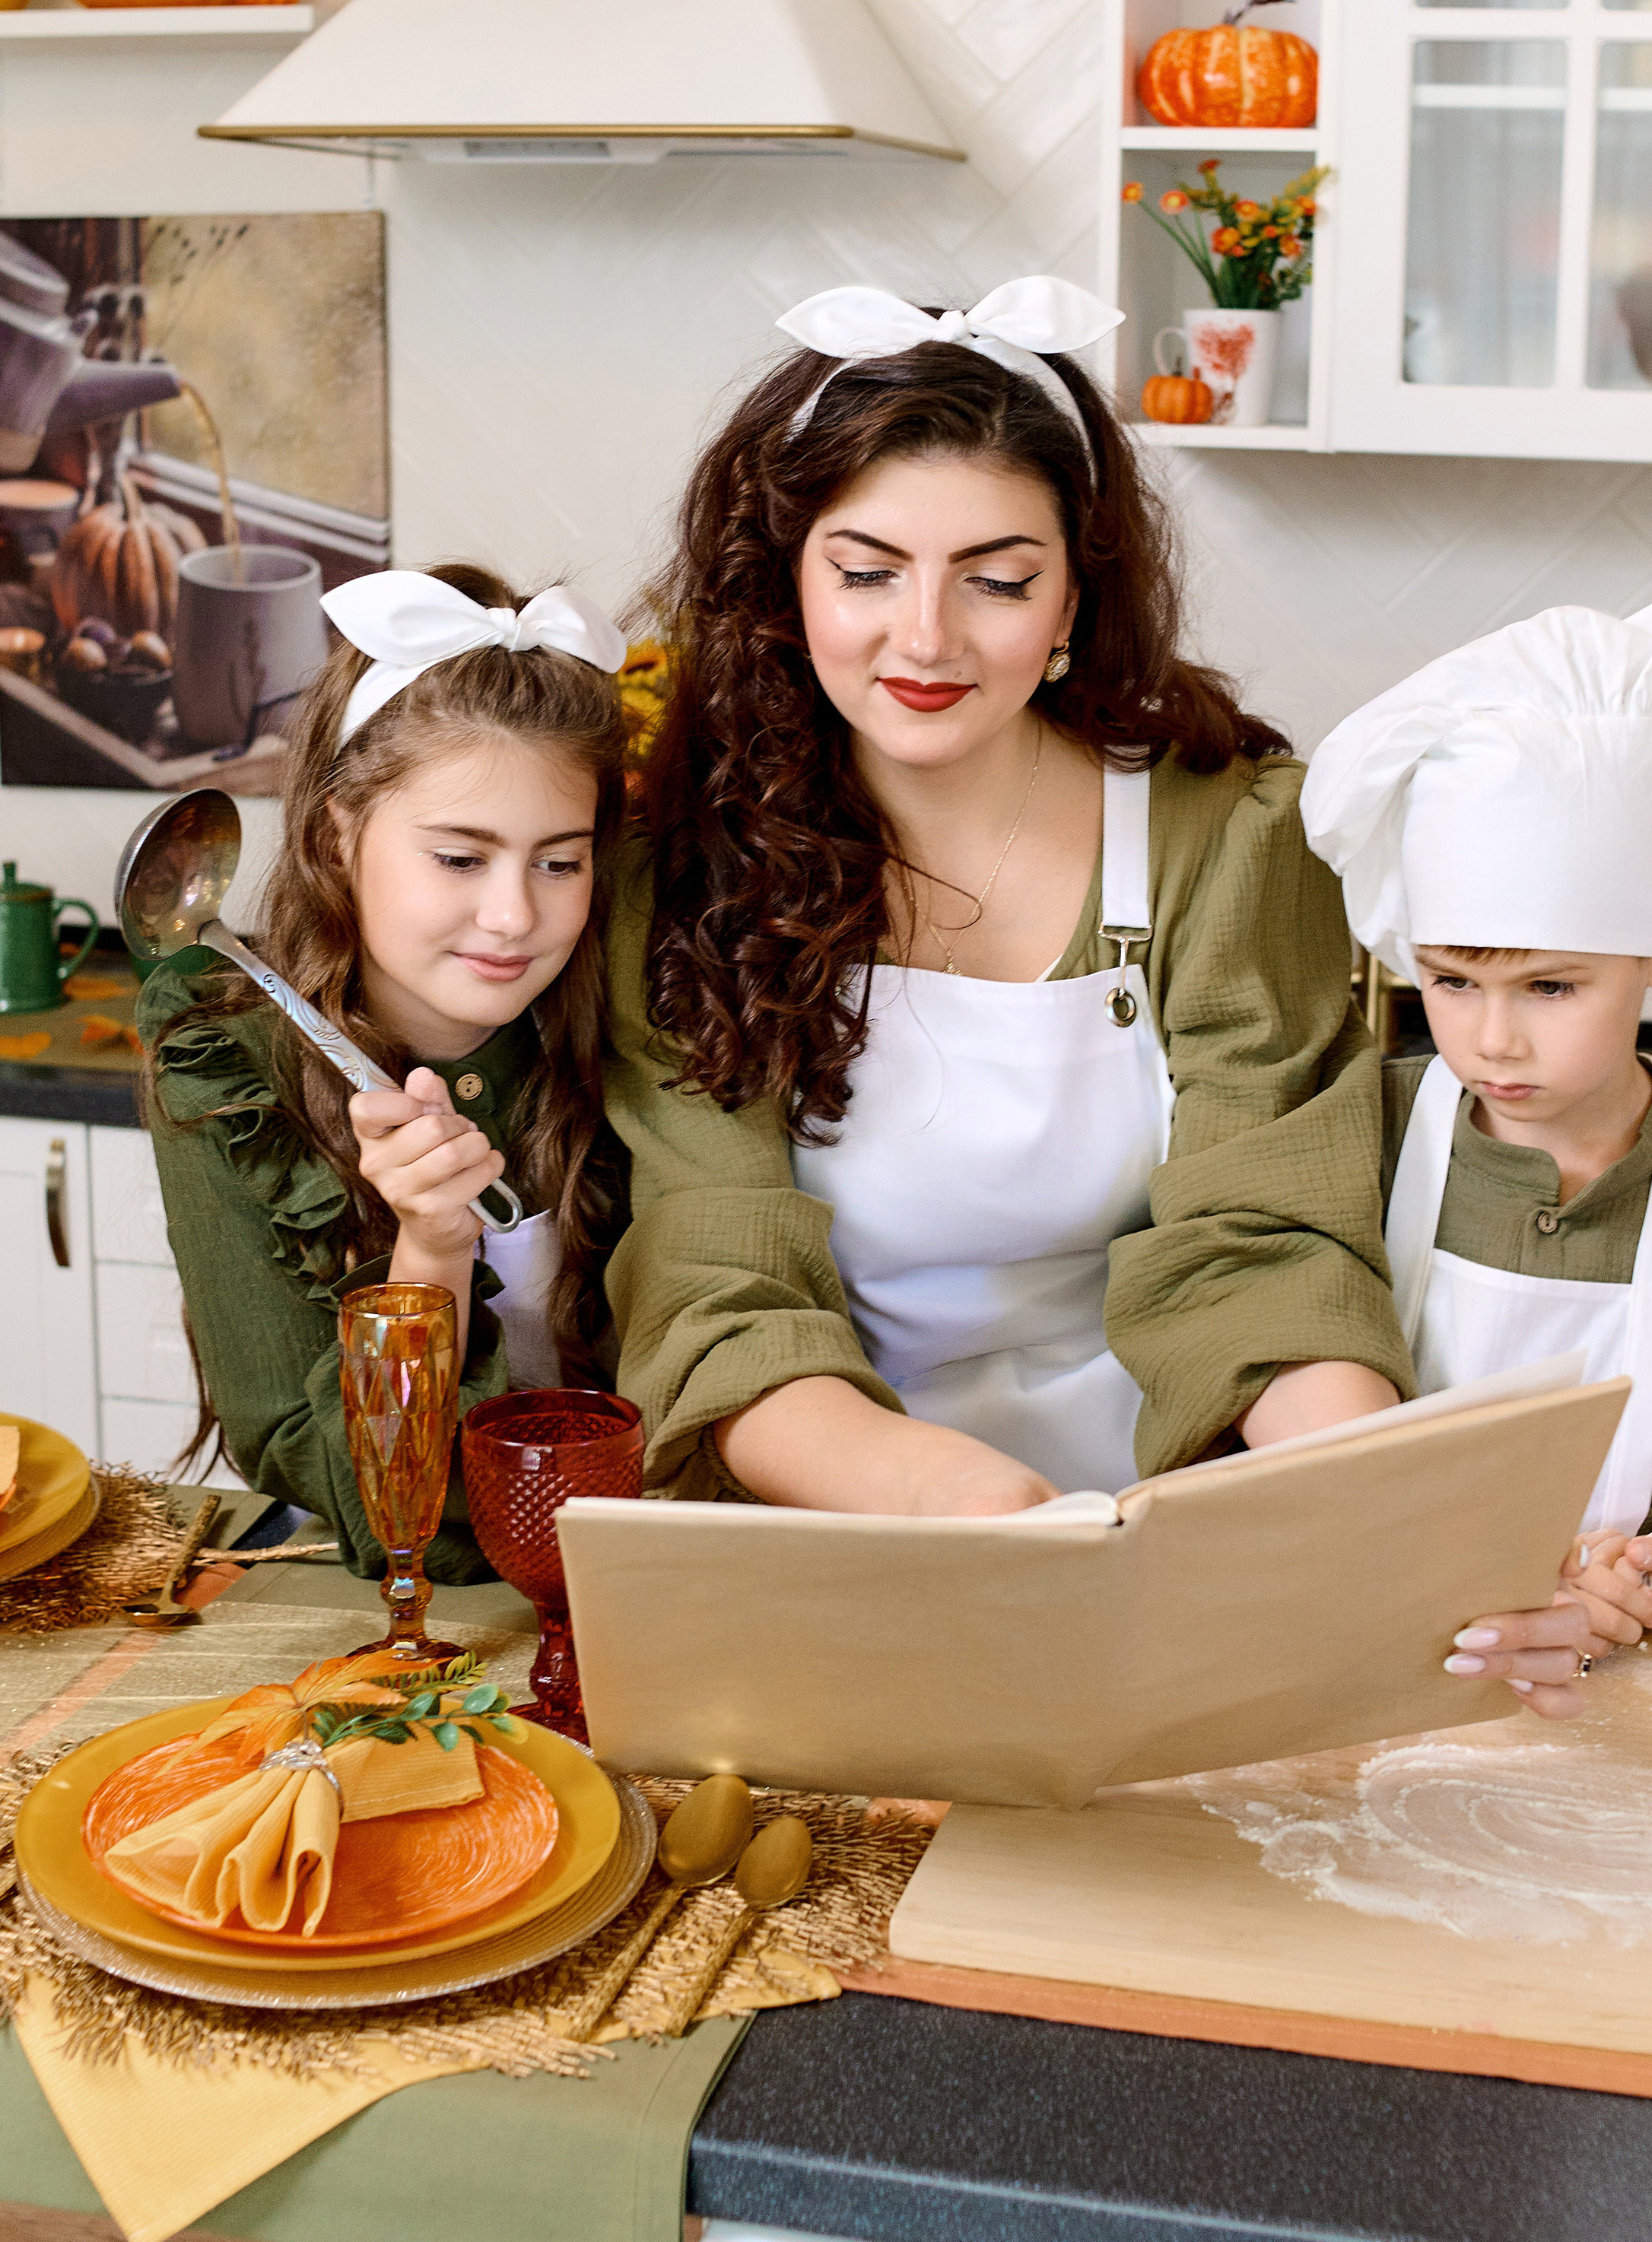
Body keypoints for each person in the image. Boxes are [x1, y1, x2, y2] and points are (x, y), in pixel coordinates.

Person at [603, 273, 1442, 1530]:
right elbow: (722, 1299)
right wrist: (971, 1505)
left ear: (1072, 601)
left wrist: (1369, 1505)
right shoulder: (685, 876)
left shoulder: (1227, 834)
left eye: (995, 580)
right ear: (788, 586)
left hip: (1181, 1503)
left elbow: (1266, 1253)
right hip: (833, 1508)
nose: (926, 640)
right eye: (868, 572)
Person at [1301, 599, 1652, 1707]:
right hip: (1363, 1660)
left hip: (1623, 1661)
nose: (1492, 1039)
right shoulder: (1353, 1136)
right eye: (1452, 982)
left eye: (1551, 987)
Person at [138, 561, 629, 1576]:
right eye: (460, 857)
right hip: (387, 1600)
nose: (514, 916)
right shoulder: (224, 1056)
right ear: (336, 832)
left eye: (560, 860)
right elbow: (353, 1494)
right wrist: (432, 1253)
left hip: (641, 1573)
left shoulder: (635, 1011)